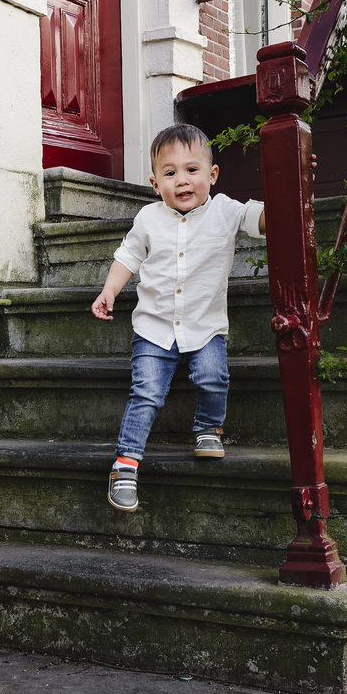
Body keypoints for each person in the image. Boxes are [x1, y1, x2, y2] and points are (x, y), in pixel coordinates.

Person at [91, 123, 265, 512]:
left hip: (205, 326)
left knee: (212, 375)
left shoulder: (225, 210)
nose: (182, 181)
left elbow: (262, 219)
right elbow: (127, 257)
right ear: (155, 184)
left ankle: (208, 427)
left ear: (212, 175)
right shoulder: (148, 219)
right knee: (147, 393)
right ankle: (125, 464)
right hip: (153, 327)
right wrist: (110, 291)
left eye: (192, 170)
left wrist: (292, 188)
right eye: (170, 174)